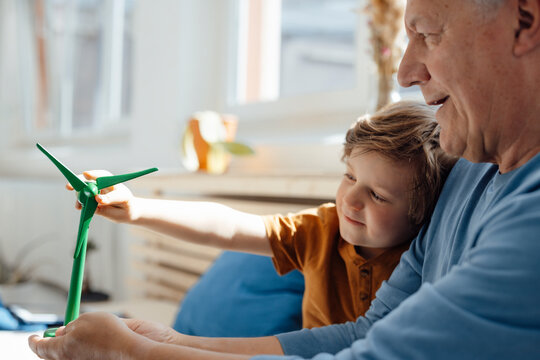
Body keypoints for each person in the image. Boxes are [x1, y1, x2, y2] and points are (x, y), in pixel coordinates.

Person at [28, 0, 540, 359]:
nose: (404, 73)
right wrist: (168, 342)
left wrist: (137, 356)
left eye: (428, 34)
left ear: (525, 19)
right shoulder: (465, 173)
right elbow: (364, 336)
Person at [70, 101, 455, 331]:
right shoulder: (320, 230)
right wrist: (139, 209)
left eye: (377, 194)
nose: (350, 200)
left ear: (420, 213)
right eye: (349, 176)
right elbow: (228, 227)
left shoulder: (428, 260)